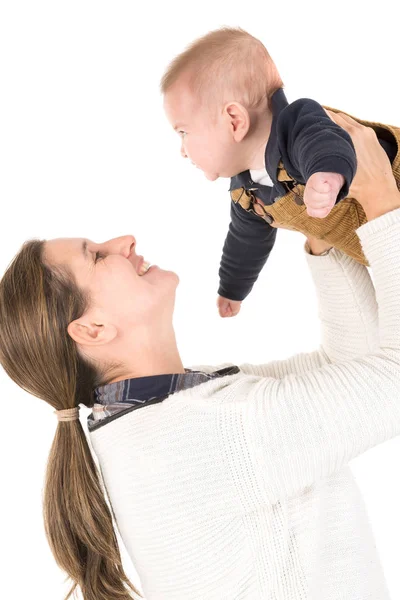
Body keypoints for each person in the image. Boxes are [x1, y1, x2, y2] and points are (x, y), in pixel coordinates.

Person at [1, 114, 400, 600]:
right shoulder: (199, 435)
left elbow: (348, 365)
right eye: (98, 256)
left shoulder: (173, 410)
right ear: (92, 329)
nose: (123, 241)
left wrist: (318, 224)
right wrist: (382, 205)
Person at [162, 27, 400, 317]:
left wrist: (326, 176)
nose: (183, 150)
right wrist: (232, 288)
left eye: (184, 132)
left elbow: (324, 144)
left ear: (234, 120)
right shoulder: (247, 193)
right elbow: (245, 241)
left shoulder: (298, 124)